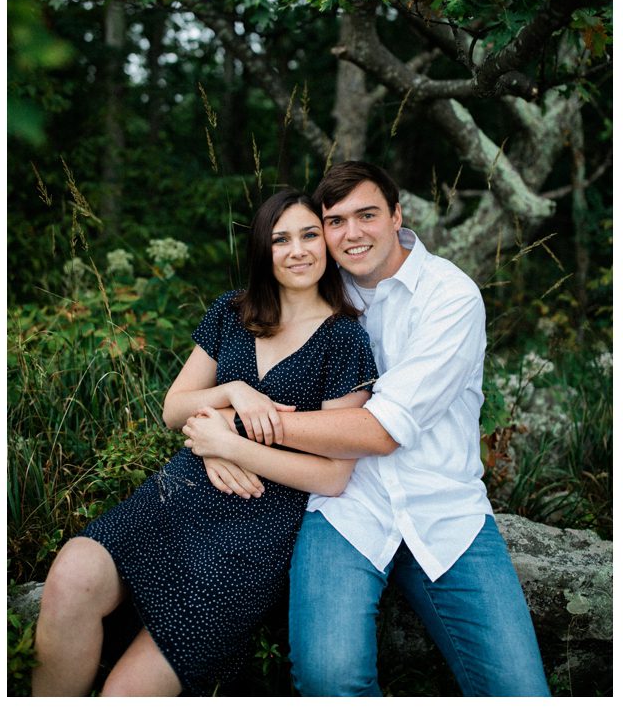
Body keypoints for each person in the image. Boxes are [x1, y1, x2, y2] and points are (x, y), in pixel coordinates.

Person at [200, 161, 548, 696]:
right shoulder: (316, 285)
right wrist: (214, 430)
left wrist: (235, 434)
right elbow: (234, 367)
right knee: (328, 676)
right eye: (335, 222)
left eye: (367, 215)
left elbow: (382, 430)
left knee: (520, 691)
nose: (351, 233)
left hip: (444, 511)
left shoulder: (450, 297)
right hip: (346, 506)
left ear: (397, 217)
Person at [32, 188, 380, 696]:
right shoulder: (230, 312)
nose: (299, 250)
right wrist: (232, 393)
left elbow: (333, 473)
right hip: (180, 491)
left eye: (309, 234)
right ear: (263, 250)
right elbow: (175, 408)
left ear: (326, 243)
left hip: (257, 521)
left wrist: (229, 445)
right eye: (281, 239)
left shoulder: (345, 338)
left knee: (125, 695)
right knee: (71, 576)